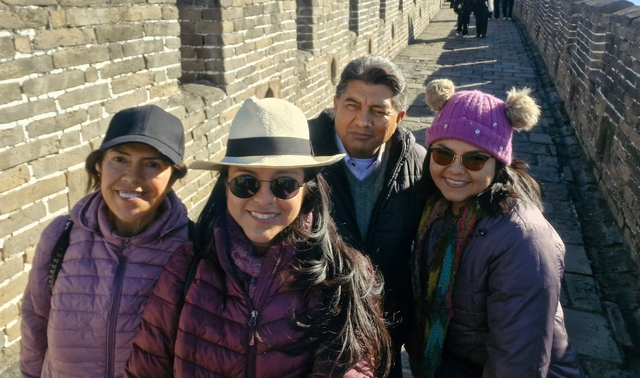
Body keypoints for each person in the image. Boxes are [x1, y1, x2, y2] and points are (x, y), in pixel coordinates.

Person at [126, 97, 392, 377]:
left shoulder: (344, 275)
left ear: (307, 190)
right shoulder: (185, 269)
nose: (264, 199)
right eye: (246, 183)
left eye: (284, 184)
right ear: (226, 187)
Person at [408, 79, 584, 378]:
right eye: (443, 154)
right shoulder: (436, 208)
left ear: (498, 164)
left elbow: (518, 361)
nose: (455, 169)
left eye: (475, 159)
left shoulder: (522, 238)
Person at [20, 105, 191, 378]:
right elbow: (35, 324)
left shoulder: (193, 250)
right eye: (119, 159)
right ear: (99, 166)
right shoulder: (60, 237)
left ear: (173, 177)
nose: (132, 177)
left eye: (152, 164)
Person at [308, 55, 427, 378]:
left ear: (399, 117)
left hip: (386, 332)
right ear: (335, 104)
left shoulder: (419, 166)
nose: (363, 121)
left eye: (378, 111)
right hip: (311, 331)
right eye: (351, 105)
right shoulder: (300, 156)